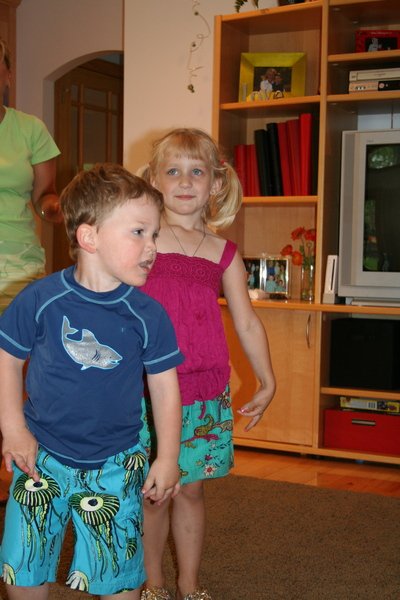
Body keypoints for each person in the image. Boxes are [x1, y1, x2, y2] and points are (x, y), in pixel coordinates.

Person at [0, 163, 184, 600]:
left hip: (117, 462)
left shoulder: (148, 315)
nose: (152, 247)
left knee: (118, 573)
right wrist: (13, 429)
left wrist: (168, 457)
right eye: (138, 232)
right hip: (40, 456)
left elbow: (165, 389)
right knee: (22, 568)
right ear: (89, 237)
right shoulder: (41, 299)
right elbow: (7, 359)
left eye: (155, 234)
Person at [138, 128, 276, 600]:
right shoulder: (145, 239)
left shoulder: (224, 253)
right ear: (154, 180)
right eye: (173, 171)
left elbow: (248, 322)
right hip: (145, 391)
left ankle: (190, 584)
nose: (184, 181)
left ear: (216, 183)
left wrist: (267, 380)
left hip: (203, 392)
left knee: (191, 490)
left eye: (196, 172)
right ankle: (153, 584)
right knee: (153, 492)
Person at [0, 38, 62, 314]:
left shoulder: (31, 129)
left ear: (8, 76)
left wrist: (57, 208)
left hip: (19, 262)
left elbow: (44, 196)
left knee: (18, 338)